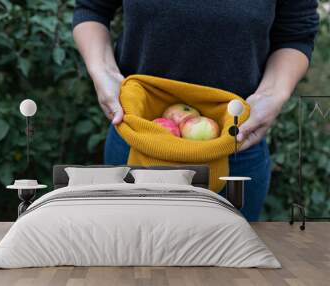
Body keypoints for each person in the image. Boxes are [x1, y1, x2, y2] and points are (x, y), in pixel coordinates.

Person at [72, 1, 319, 221]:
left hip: (235, 146)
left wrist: (274, 94)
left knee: (227, 268)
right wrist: (103, 71)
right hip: (138, 142)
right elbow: (91, 9)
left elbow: (296, 34)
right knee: (133, 261)